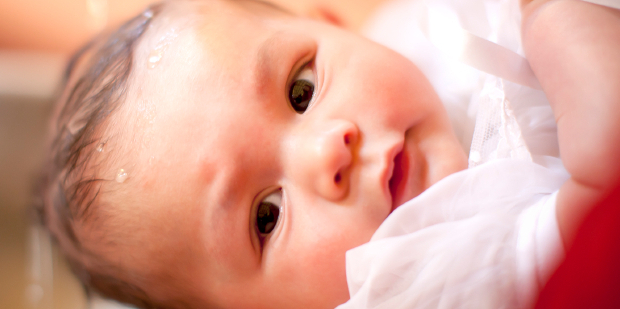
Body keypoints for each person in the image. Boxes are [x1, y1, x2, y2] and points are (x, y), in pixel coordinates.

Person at [37, 0, 620, 308]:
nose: (328, 151)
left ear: (336, 25)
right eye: (266, 216)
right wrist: (551, 17)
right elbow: (602, 197)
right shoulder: (421, 284)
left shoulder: (409, 33)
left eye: (301, 91)